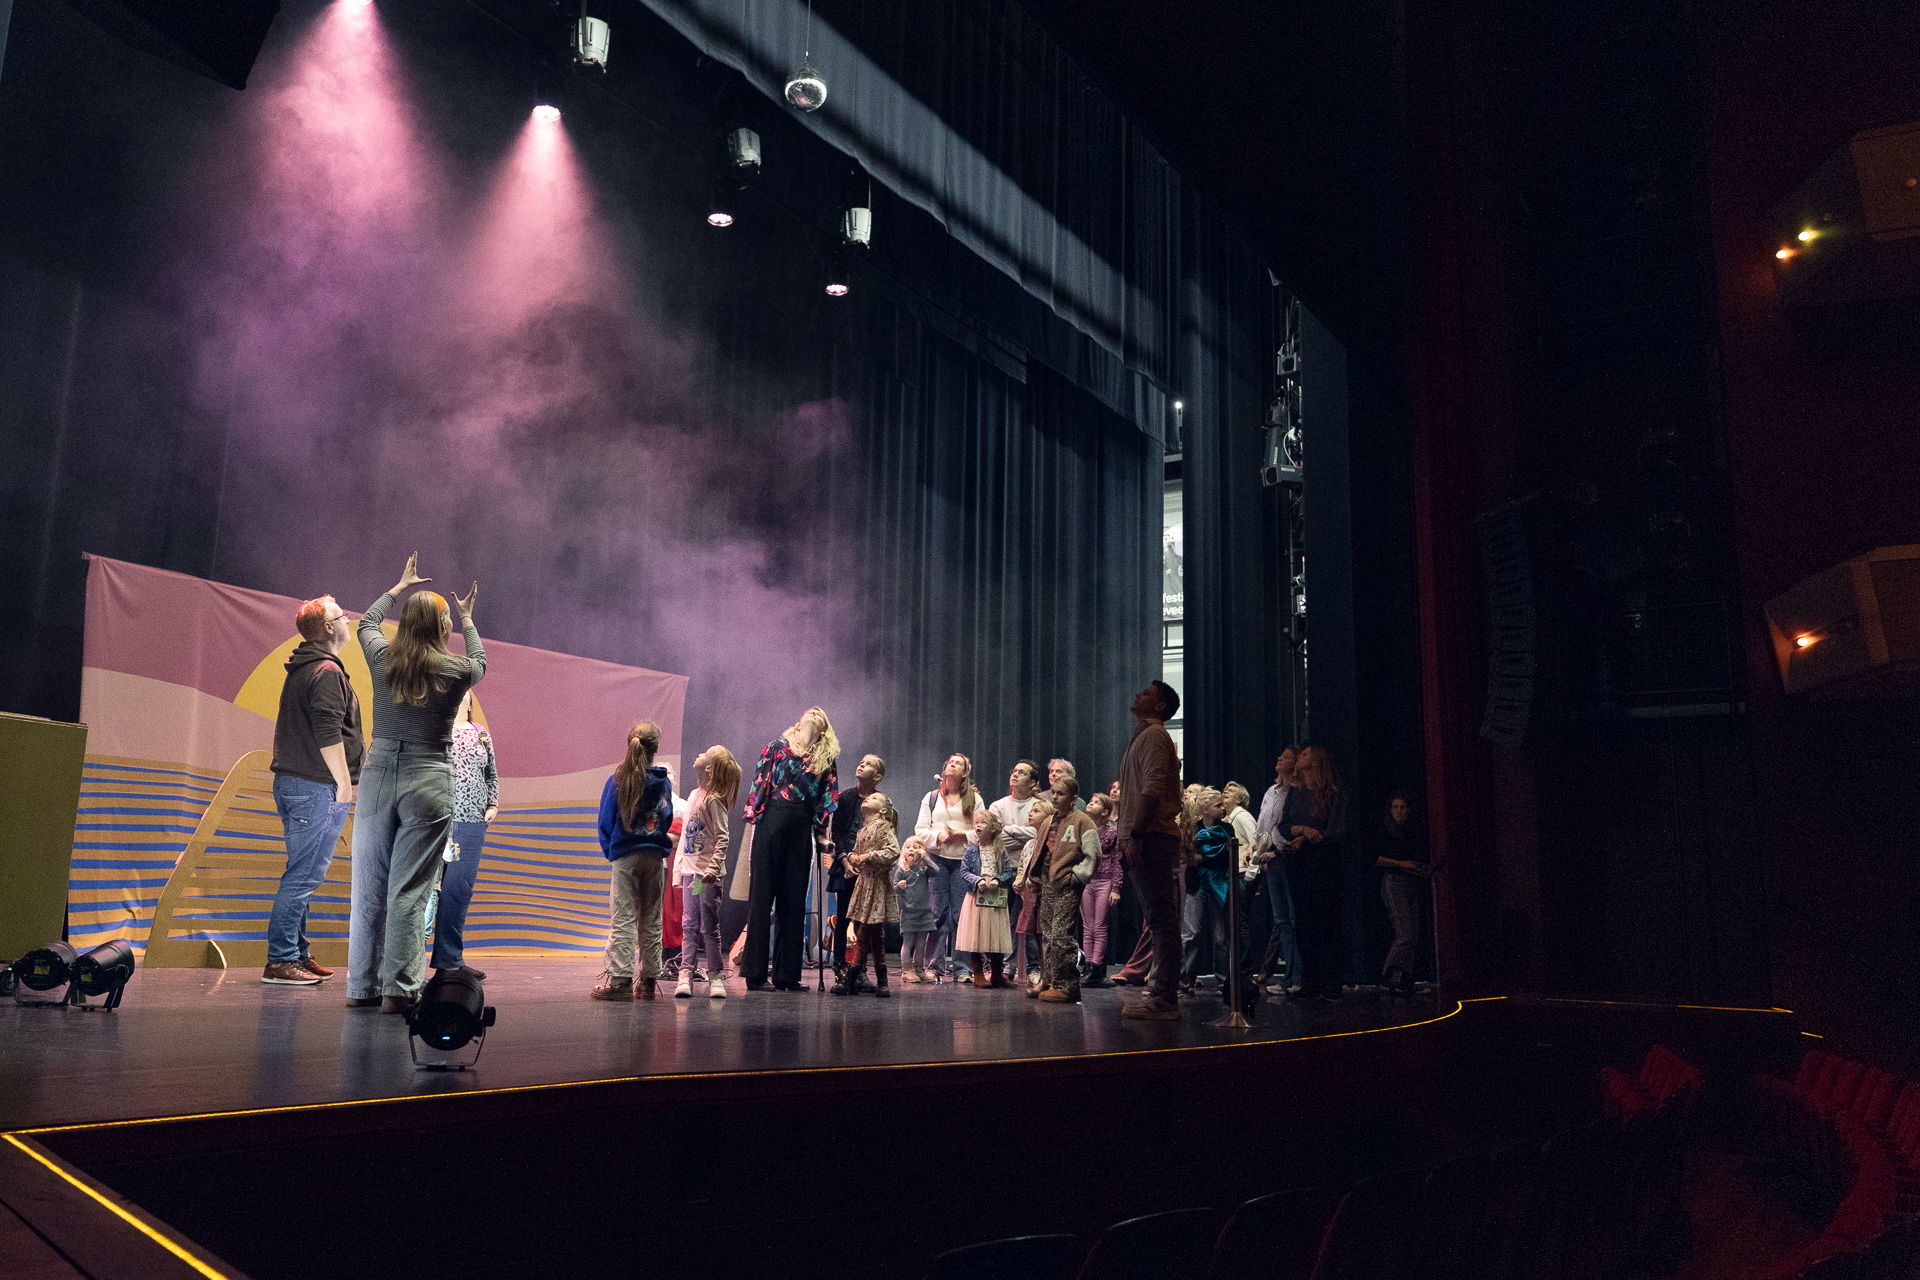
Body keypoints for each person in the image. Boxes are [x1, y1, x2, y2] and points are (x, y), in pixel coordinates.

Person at [347, 555, 484, 1014]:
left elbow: (366, 621)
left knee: (369, 886)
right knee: (409, 889)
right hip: (429, 776)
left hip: (380, 771)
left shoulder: (383, 657)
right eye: (447, 621)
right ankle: (399, 991)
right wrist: (466, 615)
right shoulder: (456, 670)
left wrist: (398, 586)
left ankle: (361, 988)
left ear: (405, 623)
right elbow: (480, 661)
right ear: (443, 628)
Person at [264, 595, 362, 987]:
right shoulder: (325, 671)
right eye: (342, 615)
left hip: (298, 785)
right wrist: (342, 781)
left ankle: (298, 953)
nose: (349, 619)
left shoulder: (308, 668)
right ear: (327, 628)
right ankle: (281, 959)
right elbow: (327, 731)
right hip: (315, 786)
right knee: (303, 876)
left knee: (301, 873)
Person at [742, 707, 840, 991]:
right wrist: (754, 815)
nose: (814, 713)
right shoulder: (776, 747)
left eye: (820, 714)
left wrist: (822, 834)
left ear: (824, 728)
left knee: (793, 901)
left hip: (801, 826)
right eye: (810, 711)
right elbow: (759, 783)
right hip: (772, 819)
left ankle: (787, 975)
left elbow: (825, 798)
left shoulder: (826, 758)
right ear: (799, 721)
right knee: (761, 897)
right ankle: (755, 973)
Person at [591, 722, 677, 1000]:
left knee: (624, 918)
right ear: (655, 749)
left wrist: (612, 850)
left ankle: (620, 982)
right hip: (654, 857)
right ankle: (649, 982)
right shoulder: (663, 781)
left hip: (626, 856)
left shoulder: (617, 779)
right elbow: (666, 818)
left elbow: (605, 821)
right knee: (651, 918)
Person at [1118, 680, 1184, 1020]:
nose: (1137, 694)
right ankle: (1161, 991)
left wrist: (1137, 834)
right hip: (1147, 835)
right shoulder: (1145, 736)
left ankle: (1164, 997)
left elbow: (1153, 788)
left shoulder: (1156, 737)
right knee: (1158, 917)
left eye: (1146, 693)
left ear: (1159, 707)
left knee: (1161, 918)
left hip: (1153, 835)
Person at [431, 691, 497, 981]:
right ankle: (404, 966)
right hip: (437, 821)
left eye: (464, 693)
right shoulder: (435, 727)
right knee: (425, 892)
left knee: (458, 891)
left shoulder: (481, 734)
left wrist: (493, 803)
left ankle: (450, 960)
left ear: (470, 701)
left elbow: (491, 773)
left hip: (471, 823)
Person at [1282, 745, 1351, 1001]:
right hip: (1298, 864)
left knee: (1328, 922)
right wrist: (1301, 830)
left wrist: (1308, 839)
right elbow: (1284, 825)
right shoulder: (1295, 793)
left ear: (1317, 760)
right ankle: (1310, 980)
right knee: (1305, 923)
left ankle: (1332, 982)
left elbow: (1336, 830)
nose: (1300, 757)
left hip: (1325, 863)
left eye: (1306, 753)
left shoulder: (1334, 793)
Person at [674, 746, 740, 999]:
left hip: (706, 876)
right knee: (689, 923)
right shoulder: (693, 795)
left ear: (710, 767)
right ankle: (685, 973)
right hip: (692, 874)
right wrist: (680, 870)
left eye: (705, 754)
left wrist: (712, 869)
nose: (698, 754)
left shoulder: (713, 799)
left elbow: (723, 837)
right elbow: (685, 840)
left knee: (708, 926)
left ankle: (715, 976)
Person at [1029, 774, 1099, 1003]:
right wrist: (1035, 877)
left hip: (1067, 884)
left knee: (1062, 934)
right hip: (1048, 883)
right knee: (1048, 934)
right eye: (1054, 793)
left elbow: (1092, 855)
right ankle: (1049, 980)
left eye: (1061, 794)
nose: (1056, 797)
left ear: (1073, 797)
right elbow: (1040, 851)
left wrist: (1076, 877)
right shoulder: (1049, 821)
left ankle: (1067, 985)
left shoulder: (1082, 821)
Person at [914, 753, 981, 981]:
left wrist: (962, 835)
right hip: (937, 860)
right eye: (950, 762)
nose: (952, 764)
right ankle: (933, 966)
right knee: (937, 913)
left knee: (961, 916)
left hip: (964, 861)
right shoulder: (931, 797)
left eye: (958, 763)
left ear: (964, 773)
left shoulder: (974, 799)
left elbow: (982, 831)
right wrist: (938, 836)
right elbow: (920, 830)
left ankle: (963, 968)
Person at [832, 792, 900, 997]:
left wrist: (868, 856)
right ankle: (880, 981)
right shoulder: (863, 831)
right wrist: (852, 856)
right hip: (864, 885)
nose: (868, 799)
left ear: (883, 810)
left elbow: (893, 851)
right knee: (872, 934)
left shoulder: (884, 828)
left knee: (867, 935)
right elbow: (855, 850)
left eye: (875, 798)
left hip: (877, 885)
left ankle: (853, 979)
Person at [827, 754, 886, 981]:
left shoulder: (881, 802)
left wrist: (867, 861)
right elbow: (837, 832)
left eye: (869, 764)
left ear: (878, 776)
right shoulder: (845, 798)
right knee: (843, 916)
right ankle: (840, 964)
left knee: (864, 920)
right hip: (846, 865)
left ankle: (859, 967)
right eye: (861, 761)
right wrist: (844, 861)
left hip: (868, 867)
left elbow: (883, 833)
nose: (862, 764)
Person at [1251, 748, 1303, 993]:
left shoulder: (1296, 791)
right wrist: (1259, 851)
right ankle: (1288, 978)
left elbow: (1287, 826)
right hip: (1269, 861)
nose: (1278, 759)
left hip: (1287, 858)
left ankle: (1298, 976)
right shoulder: (1271, 791)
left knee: (1293, 918)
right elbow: (1263, 825)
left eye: (1285, 756)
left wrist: (1278, 851)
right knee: (1281, 920)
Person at [989, 760, 1045, 978]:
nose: (1015, 775)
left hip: (1030, 874)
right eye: (1014, 771)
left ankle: (1034, 968)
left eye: (1022, 773)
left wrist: (1010, 829)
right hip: (1003, 870)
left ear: (1032, 783)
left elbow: (1040, 833)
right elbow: (995, 837)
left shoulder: (1037, 806)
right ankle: (1005, 966)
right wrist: (1024, 834)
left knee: (1030, 922)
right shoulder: (998, 806)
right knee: (1003, 920)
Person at [1375, 792, 1430, 993]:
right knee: (1405, 933)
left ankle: (1404, 978)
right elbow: (1377, 858)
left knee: (1412, 935)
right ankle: (1388, 976)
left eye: (1402, 807)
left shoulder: (1412, 832)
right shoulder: (1385, 831)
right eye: (1395, 807)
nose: (1399, 811)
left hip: (1411, 881)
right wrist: (1401, 863)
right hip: (1393, 881)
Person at [956, 808, 1015, 988]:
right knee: (977, 934)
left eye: (983, 823)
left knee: (995, 934)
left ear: (993, 828)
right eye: (976, 823)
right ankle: (978, 973)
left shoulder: (1000, 850)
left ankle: (997, 973)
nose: (978, 826)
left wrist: (998, 879)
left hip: (995, 898)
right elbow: (964, 871)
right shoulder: (971, 851)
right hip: (977, 897)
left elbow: (1008, 871)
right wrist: (978, 880)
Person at [1079, 793, 1124, 987]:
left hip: (1105, 881)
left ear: (1105, 811)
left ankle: (1097, 967)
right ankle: (1088, 967)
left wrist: (1116, 888)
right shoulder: (1084, 829)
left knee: (1099, 926)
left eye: (1096, 802)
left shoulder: (1112, 831)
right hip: (1087, 881)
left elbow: (1117, 861)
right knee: (1088, 927)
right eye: (1091, 800)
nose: (1091, 803)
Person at [1011, 797, 1054, 985]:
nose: (1030, 814)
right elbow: (1022, 865)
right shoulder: (1030, 843)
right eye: (1031, 811)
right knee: (1029, 929)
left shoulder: (1051, 844)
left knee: (1042, 931)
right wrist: (1019, 880)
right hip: (1029, 893)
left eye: (1036, 811)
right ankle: (1033, 969)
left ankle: (1047, 969)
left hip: (1044, 891)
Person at [895, 836, 938, 982]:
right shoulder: (901, 871)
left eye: (915, 847)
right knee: (908, 942)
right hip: (908, 912)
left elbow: (936, 871)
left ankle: (919, 969)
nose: (911, 849)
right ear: (903, 852)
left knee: (921, 942)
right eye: (908, 847)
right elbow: (893, 889)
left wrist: (925, 858)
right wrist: (898, 887)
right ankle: (906, 970)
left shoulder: (924, 869)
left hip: (924, 912)